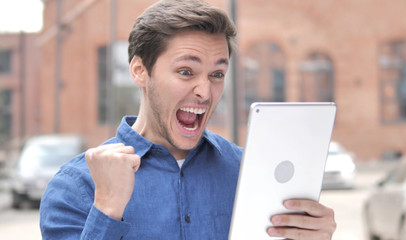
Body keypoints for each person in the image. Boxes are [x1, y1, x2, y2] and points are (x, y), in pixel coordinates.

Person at [40, 0, 336, 239]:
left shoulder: (249, 172)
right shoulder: (76, 187)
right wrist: (107, 209)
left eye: (217, 74)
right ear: (140, 71)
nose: (205, 92)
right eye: (186, 72)